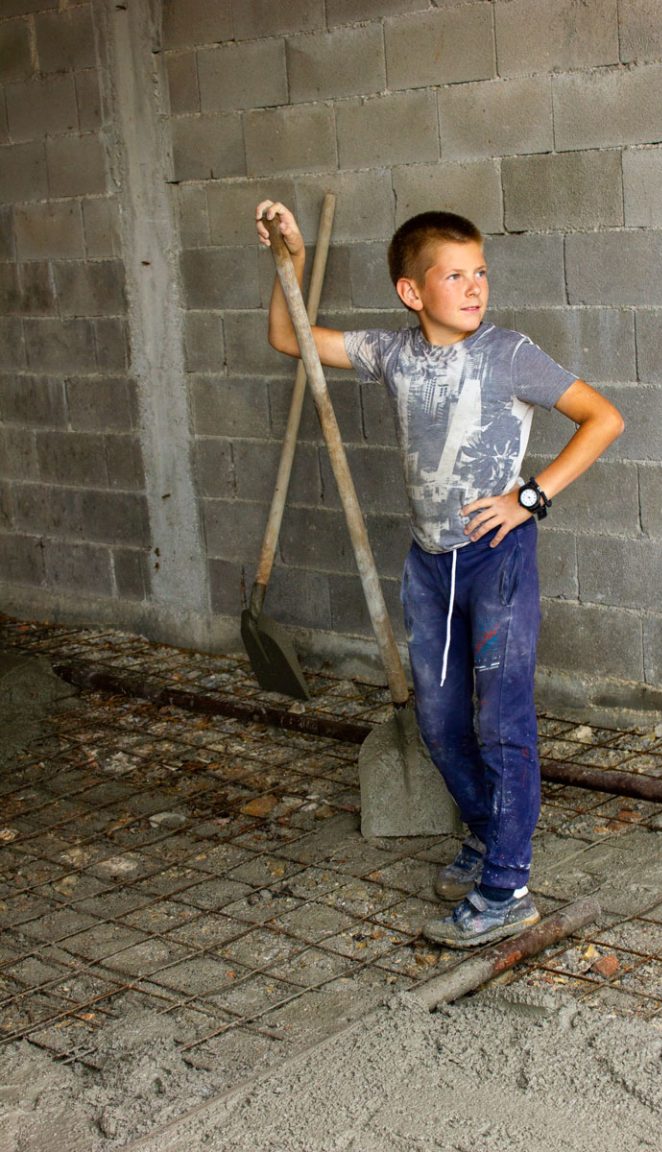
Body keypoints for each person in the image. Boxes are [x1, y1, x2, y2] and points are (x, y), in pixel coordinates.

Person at [255, 200, 624, 949]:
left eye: (480, 271)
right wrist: (287, 258)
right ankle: (490, 836)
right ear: (411, 292)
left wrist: (530, 497)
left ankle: (506, 888)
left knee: (500, 721)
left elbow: (603, 418)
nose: (474, 285)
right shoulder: (393, 354)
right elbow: (287, 334)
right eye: (453, 274)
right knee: (439, 722)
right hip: (430, 563)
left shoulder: (510, 352)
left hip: (498, 561)